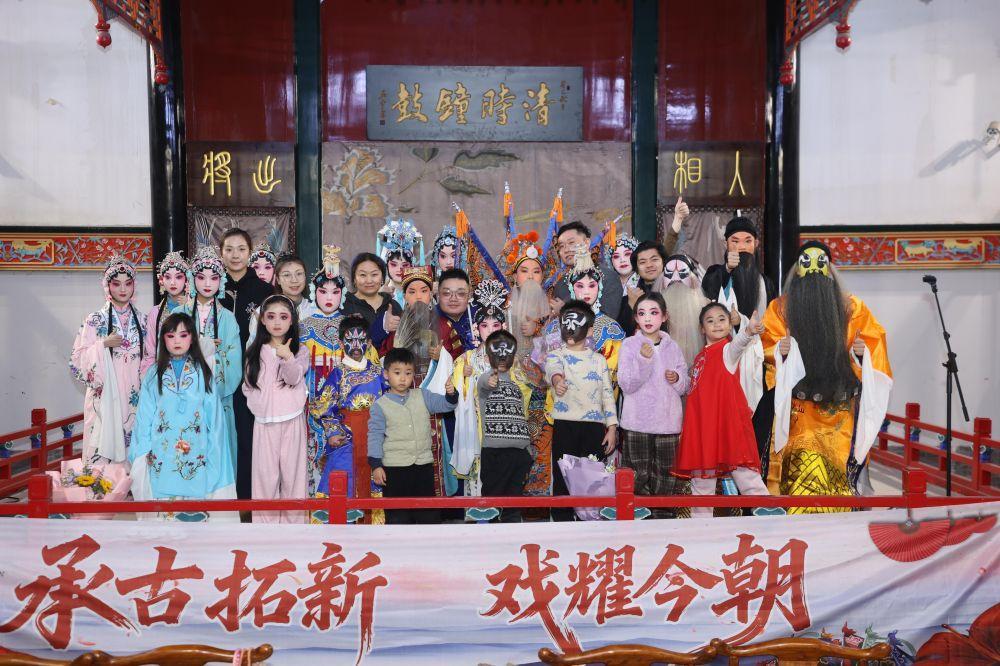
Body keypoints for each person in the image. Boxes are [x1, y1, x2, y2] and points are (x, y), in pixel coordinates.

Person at [761, 241, 892, 511]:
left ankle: (839, 517)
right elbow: (766, 347)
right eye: (806, 264)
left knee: (837, 468)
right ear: (797, 270)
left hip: (840, 407)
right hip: (798, 409)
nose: (813, 270)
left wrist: (860, 354)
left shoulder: (852, 307)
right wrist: (780, 352)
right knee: (799, 470)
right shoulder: (780, 308)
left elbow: (873, 346)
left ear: (830, 270)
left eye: (820, 263)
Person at [129, 313, 237, 521]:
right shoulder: (153, 374)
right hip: (161, 449)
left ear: (192, 338)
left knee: (196, 502)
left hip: (197, 448)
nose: (177, 341)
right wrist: (142, 451)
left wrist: (215, 450)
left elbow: (215, 418)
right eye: (171, 336)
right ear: (163, 340)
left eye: (183, 335)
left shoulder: (203, 372)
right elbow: (144, 417)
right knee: (163, 509)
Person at [674, 303, 772, 517]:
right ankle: (701, 526)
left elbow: (738, 344)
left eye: (722, 319)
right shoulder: (699, 358)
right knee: (701, 482)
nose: (717, 324)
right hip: (703, 429)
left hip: (726, 425)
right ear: (702, 328)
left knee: (744, 472)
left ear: (729, 324)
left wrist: (747, 331)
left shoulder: (727, 351)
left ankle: (767, 514)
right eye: (710, 321)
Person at [544, 300, 618, 522]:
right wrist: (557, 380)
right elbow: (553, 370)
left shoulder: (599, 360)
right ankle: (562, 521)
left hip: (594, 427)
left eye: (576, 324)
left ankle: (592, 522)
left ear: (590, 330)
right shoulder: (556, 354)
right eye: (566, 324)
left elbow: (607, 394)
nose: (570, 329)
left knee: (592, 476)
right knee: (563, 475)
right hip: (565, 425)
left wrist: (612, 427)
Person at [617, 292, 689, 519]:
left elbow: (685, 385)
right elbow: (626, 384)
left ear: (664, 316)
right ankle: (637, 519)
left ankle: (663, 520)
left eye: (654, 312)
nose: (647, 318)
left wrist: (677, 378)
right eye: (642, 313)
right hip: (637, 422)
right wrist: (643, 360)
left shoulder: (673, 347)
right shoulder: (629, 345)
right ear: (636, 318)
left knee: (666, 477)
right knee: (636, 476)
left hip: (668, 423)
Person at [70, 253, 147, 464]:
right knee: (102, 448)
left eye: (128, 283)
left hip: (135, 394)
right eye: (116, 283)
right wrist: (102, 345)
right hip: (105, 394)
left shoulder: (143, 320)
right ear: (107, 286)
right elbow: (77, 360)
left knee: (134, 444)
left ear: (134, 286)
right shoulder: (94, 320)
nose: (123, 289)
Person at [368, 347, 458, 524]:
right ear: (386, 374)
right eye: (397, 373)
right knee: (398, 518)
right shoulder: (380, 405)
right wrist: (376, 466)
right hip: (394, 469)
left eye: (408, 373)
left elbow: (447, 405)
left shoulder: (423, 395)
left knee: (428, 516)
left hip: (423, 466)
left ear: (413, 375)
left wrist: (451, 394)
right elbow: (375, 436)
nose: (403, 378)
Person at [312, 315, 387, 523]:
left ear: (369, 343)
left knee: (375, 480)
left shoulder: (379, 372)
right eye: (349, 340)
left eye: (361, 340)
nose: (355, 346)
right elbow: (324, 408)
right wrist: (333, 432)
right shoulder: (337, 374)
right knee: (343, 481)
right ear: (340, 343)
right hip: (347, 437)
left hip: (374, 436)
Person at [242, 295, 309, 523]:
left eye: (283, 317)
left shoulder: (300, 351)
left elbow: (294, 378)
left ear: (292, 321)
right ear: (262, 320)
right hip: (264, 424)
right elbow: (247, 386)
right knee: (264, 480)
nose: (277, 322)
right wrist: (260, 406)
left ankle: (295, 530)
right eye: (271, 317)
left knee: (294, 480)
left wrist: (288, 357)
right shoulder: (253, 352)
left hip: (292, 420)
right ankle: (265, 531)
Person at [217, 227, 273, 501]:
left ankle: (249, 499)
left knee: (249, 438)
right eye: (229, 249)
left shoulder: (264, 290)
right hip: (219, 377)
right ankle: (222, 497)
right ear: (221, 253)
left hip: (252, 375)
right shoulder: (212, 287)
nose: (235, 255)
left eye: (241, 249)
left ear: (250, 253)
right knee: (220, 436)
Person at [451, 279, 510, 519]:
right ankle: (478, 518)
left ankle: (503, 518)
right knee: (478, 476)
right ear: (476, 329)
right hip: (475, 427)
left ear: (504, 326)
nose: (491, 330)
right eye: (484, 325)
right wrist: (463, 379)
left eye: (496, 325)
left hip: (502, 426)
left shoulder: (512, 358)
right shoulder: (465, 359)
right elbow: (454, 395)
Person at [184, 246, 242, 471]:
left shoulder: (228, 318)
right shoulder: (179, 314)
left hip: (219, 399)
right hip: (184, 400)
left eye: (214, 278)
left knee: (218, 457)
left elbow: (234, 362)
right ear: (192, 279)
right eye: (201, 277)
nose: (207, 283)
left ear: (221, 281)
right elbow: (167, 356)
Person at [300, 246, 347, 504]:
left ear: (343, 294)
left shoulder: (350, 325)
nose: (329, 297)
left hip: (344, 398)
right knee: (312, 451)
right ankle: (314, 507)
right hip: (311, 399)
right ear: (313, 292)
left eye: (335, 292)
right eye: (323, 291)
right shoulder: (302, 327)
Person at [535, 246, 626, 374]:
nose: (586, 292)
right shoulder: (556, 326)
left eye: (592, 285)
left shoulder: (610, 328)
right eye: (580, 286)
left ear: (599, 288)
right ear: (571, 289)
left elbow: (613, 372)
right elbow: (544, 364)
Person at [477, 330, 533, 523]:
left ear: (513, 357)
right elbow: (485, 383)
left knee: (514, 505)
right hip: (494, 453)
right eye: (496, 353)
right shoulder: (485, 381)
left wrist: (527, 450)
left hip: (518, 454)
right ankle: (488, 537)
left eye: (506, 353)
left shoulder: (517, 388)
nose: (502, 357)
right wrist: (490, 379)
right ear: (487, 357)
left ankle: (513, 537)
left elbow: (521, 418)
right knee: (491, 503)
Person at [550, 221, 623, 320]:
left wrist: (566, 311)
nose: (566, 250)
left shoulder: (608, 277)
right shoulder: (561, 285)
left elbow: (608, 319)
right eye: (561, 246)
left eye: (571, 243)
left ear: (587, 243)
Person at [247, 254, 317, 344]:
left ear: (305, 276)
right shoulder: (263, 312)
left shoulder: (315, 311)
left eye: (299, 274)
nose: (294, 280)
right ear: (278, 279)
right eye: (287, 275)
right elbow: (252, 347)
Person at [141, 251, 190, 377]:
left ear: (186, 280)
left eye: (178, 277)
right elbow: (151, 351)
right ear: (161, 280)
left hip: (190, 373)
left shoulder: (194, 309)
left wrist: (190, 307)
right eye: (168, 277)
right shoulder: (155, 313)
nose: (173, 282)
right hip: (163, 373)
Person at [342, 252, 402, 350]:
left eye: (374, 274)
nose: (369, 280)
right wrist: (383, 326)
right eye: (363, 275)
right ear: (354, 279)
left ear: (382, 278)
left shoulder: (393, 305)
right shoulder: (344, 306)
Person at [660, 254, 710, 368]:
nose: (676, 278)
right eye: (669, 273)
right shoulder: (656, 306)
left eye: (683, 273)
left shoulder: (705, 304)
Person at [617, 240, 668, 335]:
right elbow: (620, 333)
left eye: (654, 259)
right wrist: (631, 306)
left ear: (663, 262)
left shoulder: (675, 291)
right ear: (636, 269)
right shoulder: (630, 298)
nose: (649, 265)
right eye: (643, 262)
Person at [376, 218, 424, 307]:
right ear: (386, 265)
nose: (399, 269)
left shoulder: (420, 294)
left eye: (405, 265)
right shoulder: (377, 294)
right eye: (393, 265)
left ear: (412, 266)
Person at [436, 268, 475, 357]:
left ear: (469, 295)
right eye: (446, 293)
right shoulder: (429, 319)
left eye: (461, 293)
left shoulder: (479, 317)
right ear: (438, 294)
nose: (453, 299)